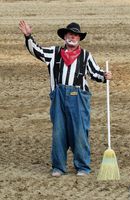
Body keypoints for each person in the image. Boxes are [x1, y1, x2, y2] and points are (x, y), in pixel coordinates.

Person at [19, 20, 112, 177]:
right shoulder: (54, 53)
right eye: (70, 34)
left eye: (75, 35)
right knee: (59, 133)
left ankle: (82, 166)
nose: (72, 37)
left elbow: (95, 72)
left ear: (79, 38)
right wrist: (28, 36)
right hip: (59, 98)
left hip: (79, 99)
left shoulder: (86, 56)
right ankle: (58, 167)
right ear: (65, 37)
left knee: (80, 132)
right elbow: (37, 51)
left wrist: (105, 75)